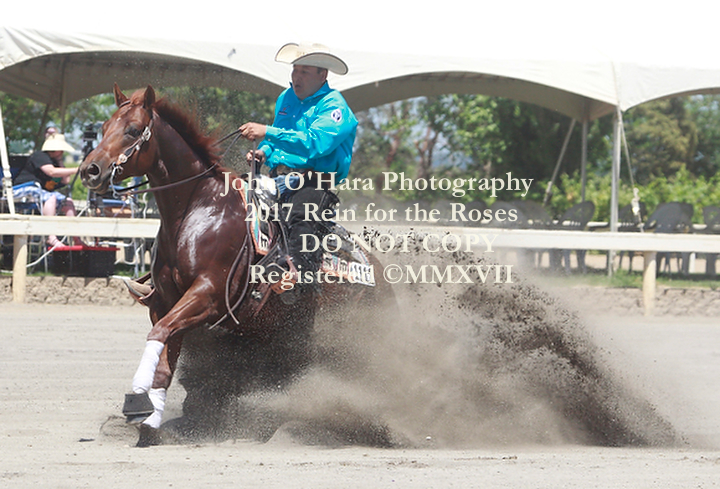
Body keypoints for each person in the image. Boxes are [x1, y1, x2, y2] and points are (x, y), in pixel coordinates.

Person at [239, 42, 358, 282]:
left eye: (304, 71)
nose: (296, 76)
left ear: (322, 75)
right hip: (277, 178)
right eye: (295, 69)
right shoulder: (286, 98)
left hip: (313, 182)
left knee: (302, 218)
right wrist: (264, 151)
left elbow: (315, 143)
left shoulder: (334, 106)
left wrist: (267, 132)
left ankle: (300, 283)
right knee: (234, 199)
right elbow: (279, 138)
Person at [13, 132, 80, 247]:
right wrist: (76, 170)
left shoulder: (55, 161)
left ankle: (76, 238)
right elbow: (51, 172)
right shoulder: (40, 156)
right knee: (51, 198)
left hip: (40, 191)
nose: (62, 152)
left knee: (68, 201)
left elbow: (65, 180)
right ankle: (51, 236)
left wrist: (60, 161)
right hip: (25, 187)